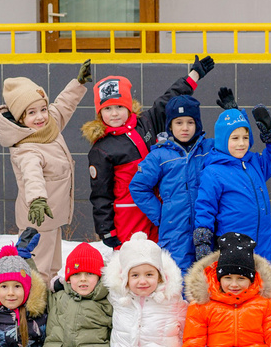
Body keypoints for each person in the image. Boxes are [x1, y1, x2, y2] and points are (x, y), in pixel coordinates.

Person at [84, 62, 211, 248]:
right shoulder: (102, 148)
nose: (114, 114)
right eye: (108, 109)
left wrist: (193, 76)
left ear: (129, 106)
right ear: (99, 112)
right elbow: (100, 194)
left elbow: (168, 100)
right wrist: (106, 228)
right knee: (135, 259)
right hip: (129, 216)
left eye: (119, 107)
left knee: (162, 256)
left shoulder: (145, 123)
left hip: (160, 209)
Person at [0, 65, 92, 279]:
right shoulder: (27, 148)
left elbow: (64, 105)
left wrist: (78, 84)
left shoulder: (48, 127)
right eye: (31, 113)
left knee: (53, 265)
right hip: (38, 218)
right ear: (20, 118)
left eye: (43, 109)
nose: (40, 117)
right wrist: (37, 199)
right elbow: (32, 177)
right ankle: (36, 299)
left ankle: (49, 294)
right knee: (37, 269)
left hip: (52, 217)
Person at [128, 73, 222, 277]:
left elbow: (236, 147)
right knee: (178, 277)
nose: (185, 128)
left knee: (209, 276)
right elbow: (138, 186)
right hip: (174, 231)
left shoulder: (210, 149)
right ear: (170, 126)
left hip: (208, 227)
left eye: (190, 122)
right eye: (179, 123)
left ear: (198, 124)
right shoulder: (160, 155)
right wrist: (161, 215)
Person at [188, 98, 271, 265]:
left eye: (245, 137)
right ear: (223, 140)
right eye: (235, 138)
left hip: (261, 246)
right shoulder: (214, 172)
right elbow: (205, 208)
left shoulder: (255, 163)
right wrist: (203, 240)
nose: (241, 143)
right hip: (233, 247)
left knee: (259, 281)